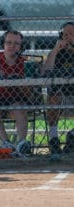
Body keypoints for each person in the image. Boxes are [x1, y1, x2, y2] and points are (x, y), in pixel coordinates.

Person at [43, 22, 74, 155]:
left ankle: (72, 136)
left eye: (72, 34)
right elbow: (45, 71)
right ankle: (54, 138)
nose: (68, 37)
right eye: (65, 34)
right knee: (53, 97)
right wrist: (56, 50)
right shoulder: (57, 53)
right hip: (61, 97)